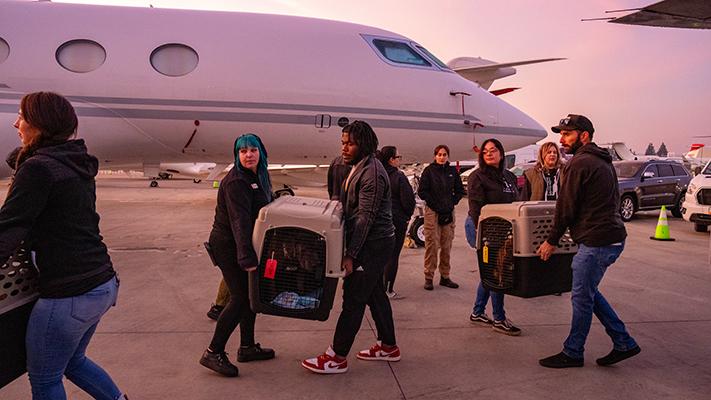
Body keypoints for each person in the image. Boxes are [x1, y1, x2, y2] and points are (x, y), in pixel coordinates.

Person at [0, 92, 126, 399]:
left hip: (71, 293)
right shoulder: (74, 162)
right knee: (73, 361)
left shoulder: (38, 168)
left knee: (45, 379)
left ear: (40, 125)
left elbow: (9, 227)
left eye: (22, 116)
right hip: (103, 283)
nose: (17, 123)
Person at [538, 114, 640, 368]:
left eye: (567, 134)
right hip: (611, 237)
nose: (561, 139)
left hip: (597, 242)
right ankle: (623, 341)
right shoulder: (603, 161)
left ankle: (573, 352)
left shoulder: (580, 163)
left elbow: (566, 206)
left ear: (584, 136)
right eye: (561, 134)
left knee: (581, 297)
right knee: (588, 292)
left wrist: (551, 240)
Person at [302, 121, 399, 374]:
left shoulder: (373, 174)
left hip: (373, 245)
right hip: (371, 243)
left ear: (363, 144)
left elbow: (365, 218)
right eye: (343, 142)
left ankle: (337, 356)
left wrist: (351, 255)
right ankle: (388, 346)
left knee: (354, 297)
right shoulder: (357, 166)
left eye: (350, 143)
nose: (344, 148)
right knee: (374, 294)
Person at [199, 133, 275, 377]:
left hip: (245, 243)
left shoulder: (258, 176)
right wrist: (247, 259)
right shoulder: (236, 182)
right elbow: (239, 222)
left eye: (253, 150)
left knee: (251, 297)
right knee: (240, 297)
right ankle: (213, 352)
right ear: (237, 155)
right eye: (243, 151)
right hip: (229, 245)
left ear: (261, 152)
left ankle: (247, 347)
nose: (248, 155)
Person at [465, 138, 522, 336]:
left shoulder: (508, 176)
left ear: (501, 153)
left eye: (493, 150)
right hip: (484, 229)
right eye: (485, 151)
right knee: (498, 272)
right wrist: (484, 237)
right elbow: (475, 210)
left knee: (491, 272)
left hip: (505, 229)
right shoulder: (478, 177)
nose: (489, 153)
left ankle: (478, 312)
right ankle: (499, 318)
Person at [417, 145, 466, 290]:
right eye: (439, 154)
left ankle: (445, 276)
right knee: (432, 245)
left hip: (448, 212)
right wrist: (436, 205)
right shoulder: (429, 171)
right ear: (434, 156)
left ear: (448, 156)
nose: (442, 157)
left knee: (446, 245)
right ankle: (429, 276)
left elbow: (459, 191)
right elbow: (422, 191)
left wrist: (452, 203)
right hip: (433, 212)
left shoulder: (452, 171)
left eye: (444, 154)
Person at [376, 146, 416, 300]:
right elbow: (408, 201)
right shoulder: (399, 177)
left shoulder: (377, 174)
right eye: (398, 157)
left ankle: (377, 288)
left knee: (380, 256)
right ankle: (388, 289)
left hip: (380, 220)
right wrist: (407, 216)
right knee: (393, 256)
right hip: (396, 220)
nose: (400, 160)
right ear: (391, 160)